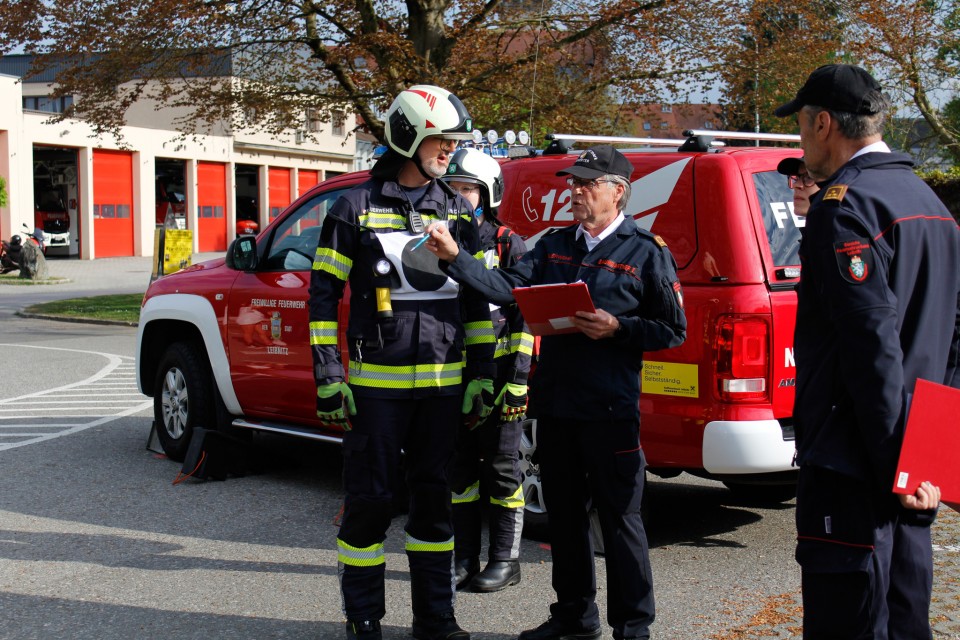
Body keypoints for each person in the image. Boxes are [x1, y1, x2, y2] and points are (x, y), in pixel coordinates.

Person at [424, 145, 687, 640]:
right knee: (565, 518)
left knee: (620, 521)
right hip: (558, 407)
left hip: (610, 410)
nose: (576, 191)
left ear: (618, 192)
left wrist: (618, 328)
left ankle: (633, 628)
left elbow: (673, 330)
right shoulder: (555, 245)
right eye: (573, 183)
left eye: (587, 184)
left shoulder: (646, 251)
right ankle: (574, 618)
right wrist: (457, 258)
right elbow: (504, 287)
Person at [775, 64, 960, 638]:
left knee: (850, 621)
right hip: (909, 464)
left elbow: (870, 347)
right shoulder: (927, 200)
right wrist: (930, 458)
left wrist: (895, 467)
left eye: (802, 126)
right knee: (904, 618)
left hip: (857, 465)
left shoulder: (844, 207)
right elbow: (953, 337)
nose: (802, 143)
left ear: (823, 124)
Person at [308, 85, 496, 640]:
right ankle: (364, 617)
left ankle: (435, 618)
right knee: (370, 502)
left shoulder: (459, 211)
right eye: (442, 141)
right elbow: (322, 298)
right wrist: (329, 375)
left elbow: (478, 301)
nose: (450, 151)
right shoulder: (353, 207)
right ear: (409, 136)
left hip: (443, 385)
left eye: (454, 142)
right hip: (376, 389)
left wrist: (482, 374)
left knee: (435, 503)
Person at [442, 147, 533, 593]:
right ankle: (464, 559)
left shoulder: (507, 244)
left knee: (500, 466)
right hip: (450, 372)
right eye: (452, 188)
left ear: (488, 194)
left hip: (499, 375)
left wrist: (517, 381)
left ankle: (505, 560)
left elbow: (526, 317)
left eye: (469, 189)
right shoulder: (432, 240)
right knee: (459, 469)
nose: (460, 196)